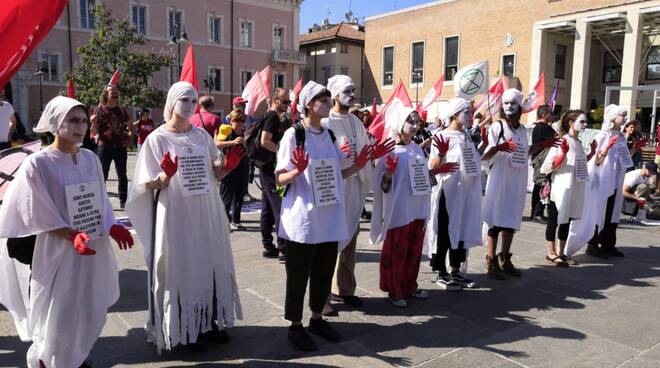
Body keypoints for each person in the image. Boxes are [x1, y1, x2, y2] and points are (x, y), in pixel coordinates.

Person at [0, 96, 133, 368]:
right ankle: (49, 361)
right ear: (55, 123)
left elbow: (99, 200)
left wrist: (110, 225)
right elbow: (34, 208)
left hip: (91, 247)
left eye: (84, 120)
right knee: (58, 310)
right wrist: (70, 235)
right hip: (57, 250)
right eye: (73, 120)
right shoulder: (39, 163)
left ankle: (73, 357)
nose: (81, 126)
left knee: (87, 307)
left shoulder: (90, 159)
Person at [126, 82, 244, 353]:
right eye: (185, 100)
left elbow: (214, 172)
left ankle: (209, 321)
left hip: (207, 211)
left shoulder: (202, 136)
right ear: (172, 102)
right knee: (183, 267)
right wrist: (165, 175)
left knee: (210, 263)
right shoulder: (157, 138)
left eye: (194, 100)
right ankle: (187, 328)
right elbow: (148, 184)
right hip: (178, 215)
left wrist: (227, 169)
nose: (191, 105)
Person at [275, 81, 371, 351]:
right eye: (323, 97)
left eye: (329, 97)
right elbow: (280, 178)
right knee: (297, 275)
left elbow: (335, 175)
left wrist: (357, 166)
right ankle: (295, 324)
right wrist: (297, 170)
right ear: (308, 104)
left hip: (328, 218)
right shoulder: (294, 135)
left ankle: (317, 318)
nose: (329, 101)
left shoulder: (328, 135)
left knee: (322, 271)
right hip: (303, 221)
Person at [322, 75, 394, 311]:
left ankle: (345, 288)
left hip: (354, 188)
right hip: (334, 190)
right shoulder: (325, 122)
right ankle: (322, 297)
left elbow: (363, 153)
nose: (352, 95)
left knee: (350, 240)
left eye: (353, 90)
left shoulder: (354, 121)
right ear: (334, 94)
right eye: (347, 91)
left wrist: (373, 155)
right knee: (329, 244)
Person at [371, 106, 430, 307]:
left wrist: (436, 170)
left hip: (417, 208)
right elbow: (381, 184)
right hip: (399, 209)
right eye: (410, 121)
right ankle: (394, 289)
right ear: (399, 124)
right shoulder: (391, 149)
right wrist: (388, 173)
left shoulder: (417, 148)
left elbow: (422, 177)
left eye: (416, 122)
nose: (414, 126)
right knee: (398, 251)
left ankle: (409, 285)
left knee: (414, 250)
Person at [425, 98, 481, 291]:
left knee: (462, 229)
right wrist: (440, 157)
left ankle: (456, 269)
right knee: (444, 229)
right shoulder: (441, 136)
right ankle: (441, 271)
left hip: (465, 192)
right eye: (466, 112)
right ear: (455, 114)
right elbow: (432, 166)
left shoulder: (466, 136)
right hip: (447, 191)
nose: (470, 115)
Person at [565, 104, 629, 259]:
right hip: (602, 181)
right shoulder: (603, 135)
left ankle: (608, 244)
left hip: (616, 180)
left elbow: (623, 158)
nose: (625, 118)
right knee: (600, 212)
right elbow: (594, 159)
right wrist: (604, 153)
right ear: (613, 117)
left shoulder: (621, 136)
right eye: (623, 115)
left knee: (612, 214)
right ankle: (593, 244)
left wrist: (632, 151)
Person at [480, 88, 528, 280]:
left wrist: (541, 146)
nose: (509, 106)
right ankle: (491, 261)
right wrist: (498, 148)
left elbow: (523, 153)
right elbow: (485, 158)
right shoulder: (497, 127)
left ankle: (504, 259)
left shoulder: (523, 130)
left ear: (519, 106)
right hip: (500, 179)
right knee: (495, 220)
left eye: (513, 103)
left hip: (516, 179)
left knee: (511, 219)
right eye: (506, 103)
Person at [540, 110, 596, 267]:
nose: (585, 124)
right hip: (561, 188)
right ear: (571, 123)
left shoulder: (577, 142)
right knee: (554, 220)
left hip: (574, 187)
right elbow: (551, 167)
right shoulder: (562, 141)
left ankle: (561, 252)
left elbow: (580, 162)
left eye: (585, 122)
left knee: (567, 220)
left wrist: (591, 153)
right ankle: (551, 253)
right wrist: (562, 153)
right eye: (582, 121)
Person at [259, 88, 291, 259]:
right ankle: (283, 248)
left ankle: (267, 245)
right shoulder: (272, 116)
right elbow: (265, 141)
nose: (287, 105)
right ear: (274, 100)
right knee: (279, 206)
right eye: (285, 101)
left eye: (289, 102)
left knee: (267, 207)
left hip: (267, 168)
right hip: (271, 169)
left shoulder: (270, 116)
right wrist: (282, 152)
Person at [90, 85, 131, 208]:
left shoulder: (122, 111)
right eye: (112, 92)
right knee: (102, 175)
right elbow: (94, 132)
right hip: (105, 147)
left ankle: (124, 202)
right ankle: (99, 202)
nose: (115, 94)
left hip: (120, 147)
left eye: (116, 92)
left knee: (122, 175)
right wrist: (93, 123)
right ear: (106, 95)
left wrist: (130, 137)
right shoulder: (99, 110)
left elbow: (130, 126)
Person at [216, 109, 250, 231]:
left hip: (242, 166)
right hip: (228, 168)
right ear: (231, 121)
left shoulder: (244, 132)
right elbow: (216, 144)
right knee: (226, 196)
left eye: (242, 120)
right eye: (237, 120)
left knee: (239, 195)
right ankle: (225, 222)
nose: (240, 123)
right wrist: (232, 142)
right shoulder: (227, 130)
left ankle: (236, 221)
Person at [528, 104, 558, 224]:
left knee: (540, 185)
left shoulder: (539, 127)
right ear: (545, 115)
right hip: (542, 160)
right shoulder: (543, 127)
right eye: (550, 114)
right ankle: (537, 213)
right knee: (541, 184)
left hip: (540, 159)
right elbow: (558, 138)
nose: (552, 116)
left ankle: (536, 212)